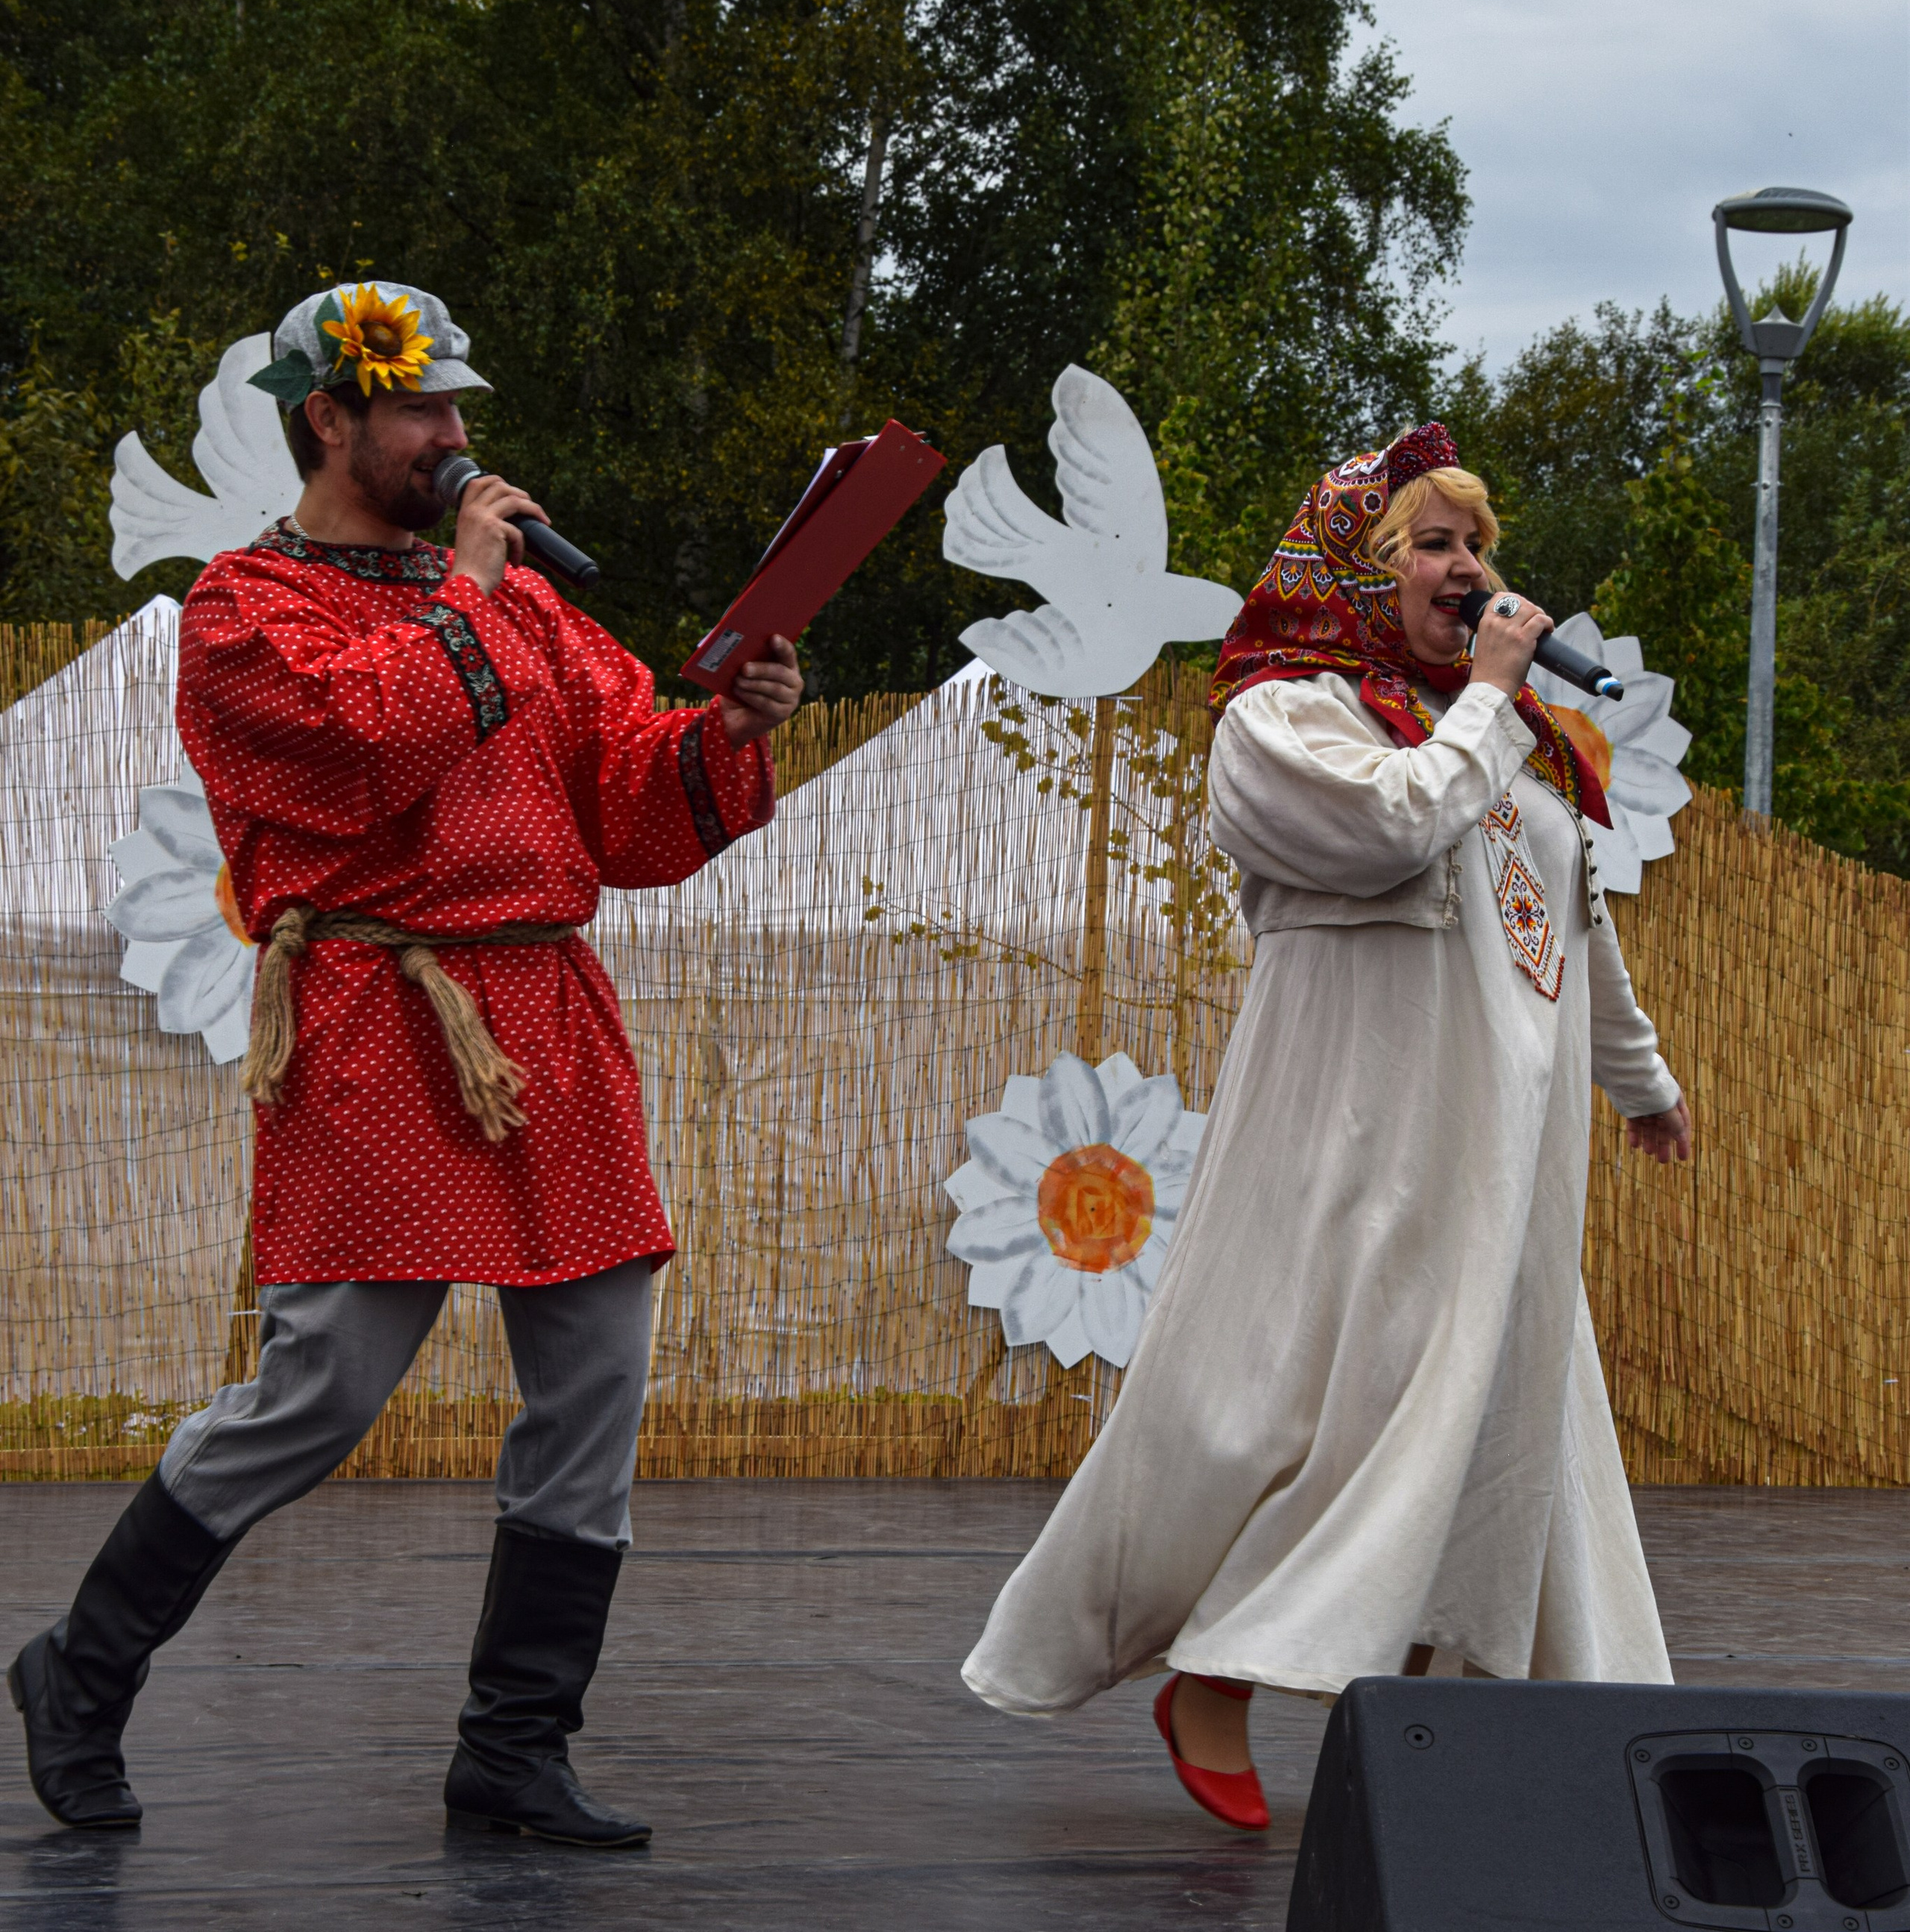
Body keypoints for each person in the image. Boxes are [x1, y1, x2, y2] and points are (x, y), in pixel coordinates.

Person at [10, 280, 804, 1847]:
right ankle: (78, 1671)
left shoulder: (521, 606)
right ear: (331, 419)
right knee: (320, 1389)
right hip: (378, 1019)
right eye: (426, 411)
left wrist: (727, 724)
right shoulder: (244, 611)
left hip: (547, 1016)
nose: (456, 438)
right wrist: (476, 592)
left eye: (461, 414)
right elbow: (367, 752)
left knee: (592, 1387)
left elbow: (627, 809)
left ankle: (513, 1748)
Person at [961, 423, 1691, 1830]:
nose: (1470, 569)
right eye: (1435, 544)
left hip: (1501, 1143)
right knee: (1329, 1406)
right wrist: (1489, 697)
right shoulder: (1282, 723)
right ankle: (1222, 1670)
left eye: (1478, 545)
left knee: (1503, 1410)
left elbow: (1575, 924)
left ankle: (1467, 1714)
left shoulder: (1518, 748)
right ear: (1357, 569)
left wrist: (1640, 1082)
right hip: (1356, 1128)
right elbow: (1391, 830)